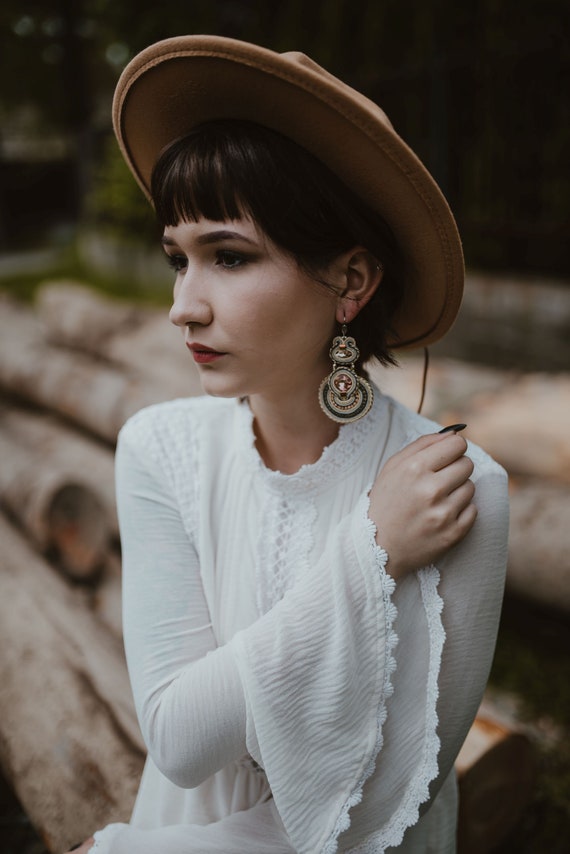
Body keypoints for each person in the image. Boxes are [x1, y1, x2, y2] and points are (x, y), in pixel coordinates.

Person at [65, 36, 509, 854]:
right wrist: (371, 552)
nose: (183, 306)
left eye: (228, 257)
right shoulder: (160, 450)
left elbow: (395, 805)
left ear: (351, 281)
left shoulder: (462, 488)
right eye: (177, 258)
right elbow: (180, 740)